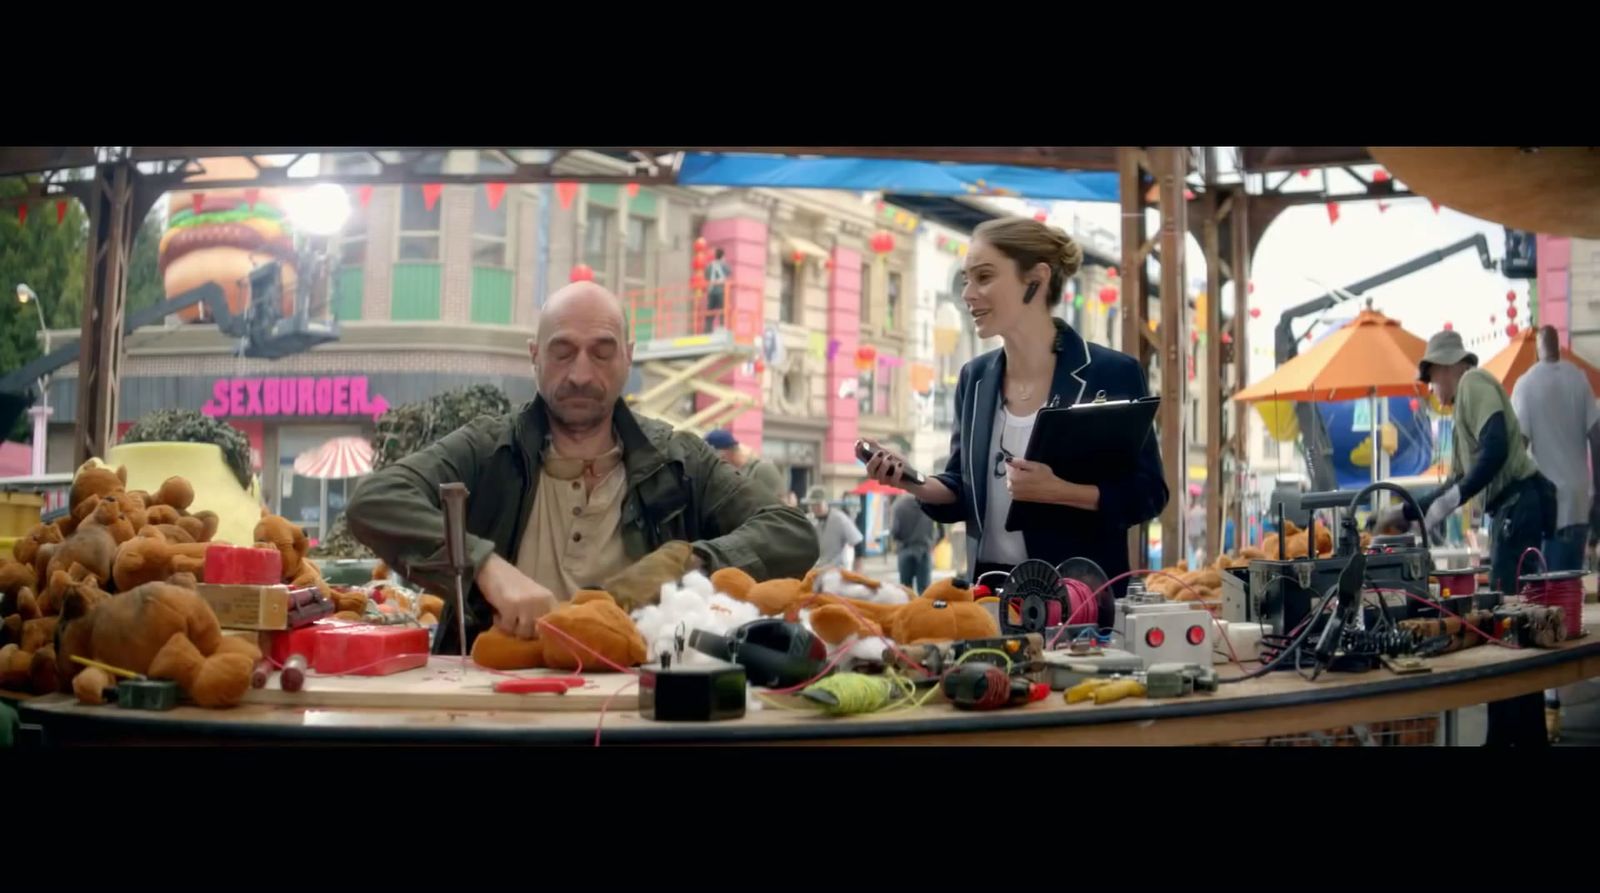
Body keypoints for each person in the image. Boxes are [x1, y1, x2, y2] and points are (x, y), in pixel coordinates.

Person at [347, 281, 818, 654]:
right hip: (493, 701)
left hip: (636, 706)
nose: (580, 374)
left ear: (629, 356)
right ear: (535, 356)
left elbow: (792, 532)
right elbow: (375, 500)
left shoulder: (679, 460)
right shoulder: (488, 448)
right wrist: (484, 566)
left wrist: (686, 562)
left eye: (602, 351)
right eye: (562, 351)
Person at [860, 216, 1168, 593]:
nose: (968, 293)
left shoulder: (1111, 373)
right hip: (989, 592)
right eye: (966, 279)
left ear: (1035, 280)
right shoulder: (974, 378)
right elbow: (962, 489)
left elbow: (1149, 493)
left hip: (1079, 603)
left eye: (984, 277)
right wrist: (915, 481)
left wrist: (1061, 491)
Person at [1389, 329, 1555, 746]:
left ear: (1448, 367)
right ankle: (1521, 735)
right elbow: (1460, 480)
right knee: (1517, 625)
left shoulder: (1472, 383)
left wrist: (1451, 498)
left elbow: (1496, 447)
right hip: (1515, 510)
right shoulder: (1462, 409)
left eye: (1433, 379)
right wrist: (1405, 510)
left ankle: (1507, 738)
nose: (1434, 391)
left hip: (1519, 505)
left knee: (1509, 623)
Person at [1508, 324, 1600, 741]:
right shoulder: (1580, 380)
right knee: (1568, 598)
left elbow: (1520, 444)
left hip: (1546, 506)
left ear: (1537, 351)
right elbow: (1596, 438)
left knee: (1544, 600)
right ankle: (1554, 697)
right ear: (1559, 348)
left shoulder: (1526, 386)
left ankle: (1550, 701)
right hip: (1579, 500)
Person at [704, 429, 785, 501]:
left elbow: (778, 507)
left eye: (716, 457)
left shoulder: (763, 469)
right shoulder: (728, 475)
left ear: (728, 452)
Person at [890, 491, 936, 595]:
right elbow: (940, 531)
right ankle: (923, 611)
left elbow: (894, 531)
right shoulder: (929, 503)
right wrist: (932, 542)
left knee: (906, 590)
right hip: (924, 550)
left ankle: (910, 611)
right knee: (925, 590)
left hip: (905, 549)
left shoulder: (899, 504)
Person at [807, 485, 862, 570]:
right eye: (812, 505)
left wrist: (858, 569)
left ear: (826, 502)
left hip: (837, 569)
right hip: (819, 567)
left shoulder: (839, 519)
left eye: (818, 504)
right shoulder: (812, 520)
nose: (815, 508)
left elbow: (857, 542)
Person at [704, 247, 730, 334]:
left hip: (711, 291)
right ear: (722, 256)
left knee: (710, 312)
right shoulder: (723, 265)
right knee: (722, 311)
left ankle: (707, 330)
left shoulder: (710, 265)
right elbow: (729, 273)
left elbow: (706, 275)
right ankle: (722, 327)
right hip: (720, 291)